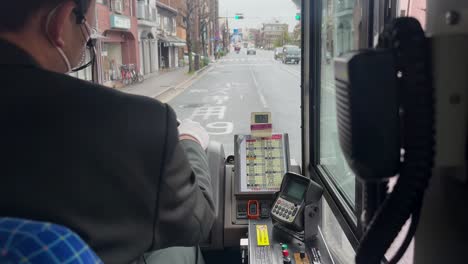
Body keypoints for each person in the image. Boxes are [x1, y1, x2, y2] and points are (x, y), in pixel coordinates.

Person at [0, 0, 215, 263]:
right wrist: (191, 142)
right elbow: (196, 221)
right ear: (60, 21)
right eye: (87, 27)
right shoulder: (135, 123)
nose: (88, 36)